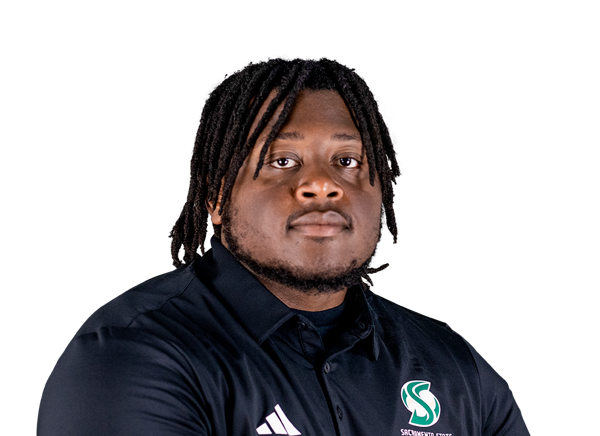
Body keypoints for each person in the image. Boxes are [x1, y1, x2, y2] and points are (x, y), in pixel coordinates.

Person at [37, 56, 529, 435]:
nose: (322, 185)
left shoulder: (452, 365)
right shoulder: (129, 357)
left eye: (348, 161)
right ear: (216, 197)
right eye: (282, 161)